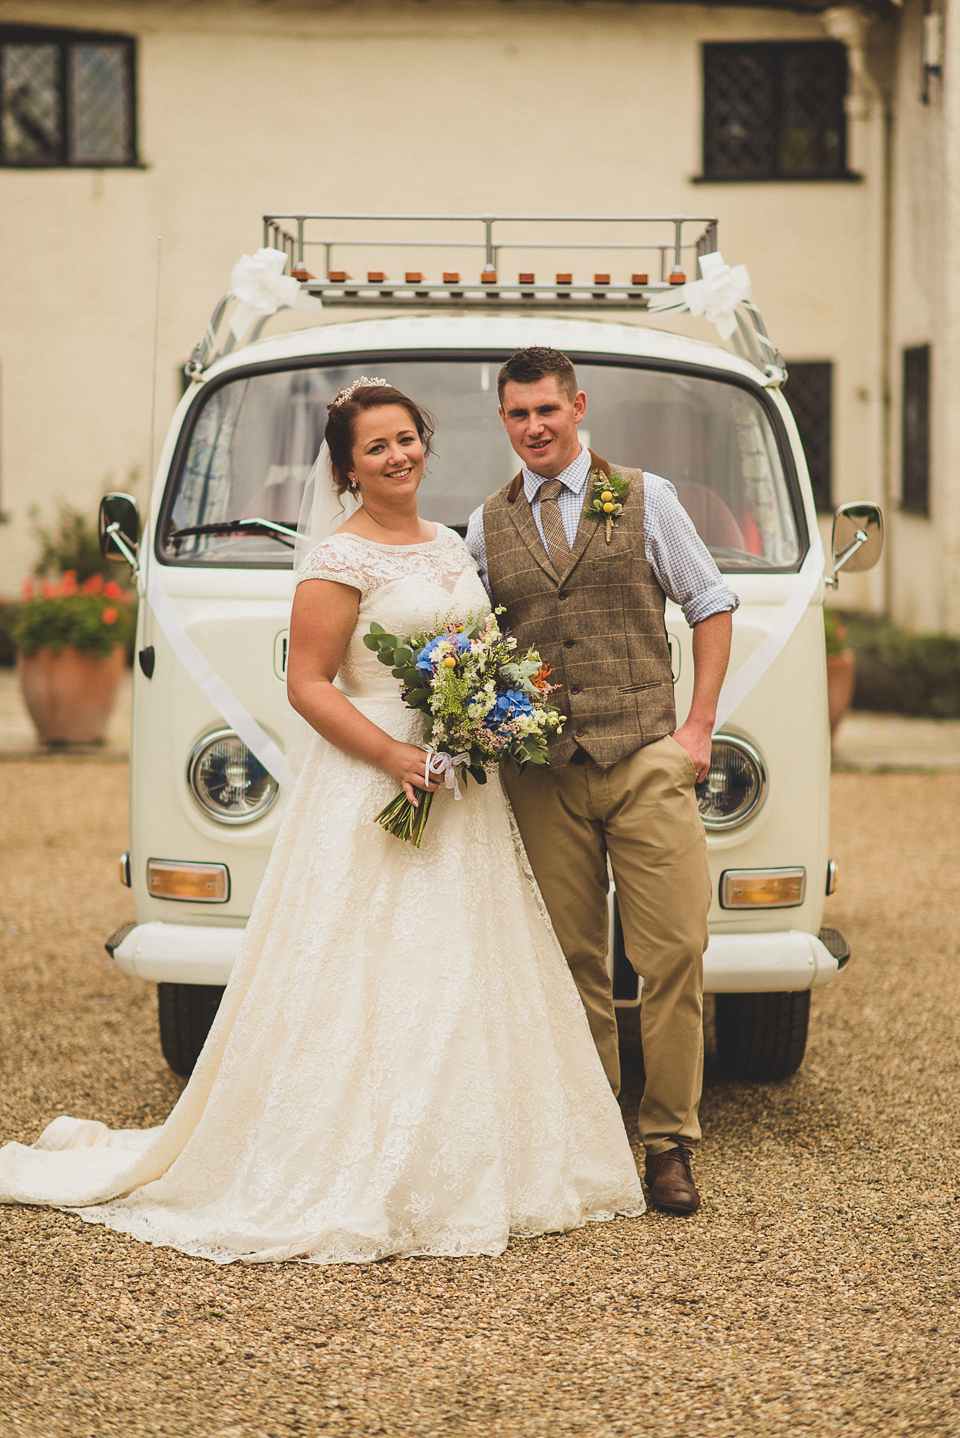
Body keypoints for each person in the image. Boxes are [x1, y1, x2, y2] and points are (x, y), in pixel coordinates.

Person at [0, 381, 644, 1263]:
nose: (398, 456)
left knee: (465, 964)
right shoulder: (338, 558)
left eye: (407, 438)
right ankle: (353, 1159)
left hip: (459, 784)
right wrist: (393, 757)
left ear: (427, 442)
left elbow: (479, 648)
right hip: (376, 780)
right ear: (346, 469)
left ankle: (478, 1159)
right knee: (365, 965)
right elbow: (307, 684)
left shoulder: (453, 546)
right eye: (375, 447)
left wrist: (487, 713)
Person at [465, 347, 739, 1216]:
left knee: (673, 955)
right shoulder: (485, 525)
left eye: (548, 409)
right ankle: (592, 1139)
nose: (535, 427)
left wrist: (696, 730)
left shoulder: (646, 497)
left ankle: (669, 1143)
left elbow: (711, 604)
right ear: (503, 421)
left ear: (577, 406)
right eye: (518, 414)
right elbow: (473, 649)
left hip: (646, 756)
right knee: (572, 963)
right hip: (542, 775)